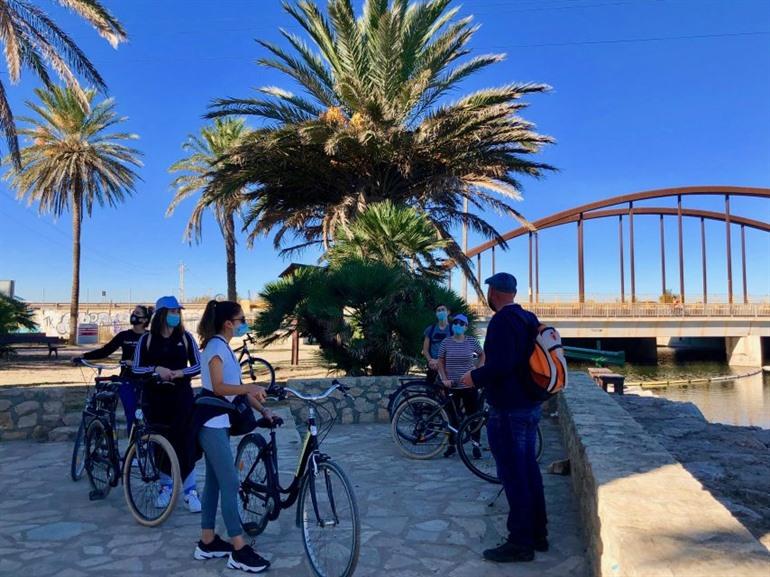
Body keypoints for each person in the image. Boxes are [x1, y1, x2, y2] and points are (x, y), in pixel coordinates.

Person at [459, 272, 547, 563]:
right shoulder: (528, 318)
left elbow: (500, 366)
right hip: (530, 405)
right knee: (528, 469)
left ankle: (520, 542)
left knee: (513, 473)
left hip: (509, 409)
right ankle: (538, 532)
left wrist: (473, 377)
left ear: (494, 293)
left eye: (488, 292)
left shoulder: (501, 321)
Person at [192, 300, 273, 572]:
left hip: (219, 422)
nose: (243, 323)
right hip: (211, 423)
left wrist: (263, 410)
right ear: (228, 323)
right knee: (230, 483)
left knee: (215, 484)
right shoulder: (216, 347)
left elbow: (235, 388)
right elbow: (218, 387)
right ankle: (238, 549)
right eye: (241, 319)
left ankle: (207, 541)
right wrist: (250, 386)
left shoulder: (222, 347)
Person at [132, 295, 202, 513]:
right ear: (162, 314)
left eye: (177, 312)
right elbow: (135, 368)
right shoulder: (146, 340)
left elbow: (198, 366)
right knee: (160, 444)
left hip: (182, 398)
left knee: (186, 443)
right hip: (156, 400)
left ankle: (190, 491)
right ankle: (166, 487)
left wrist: (181, 372)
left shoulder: (186, 337)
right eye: (172, 312)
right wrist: (156, 370)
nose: (176, 316)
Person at [73, 305, 153, 433]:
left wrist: (136, 363)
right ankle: (133, 448)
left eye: (137, 313)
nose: (133, 314)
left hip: (147, 380)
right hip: (127, 380)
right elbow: (106, 350)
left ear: (144, 320)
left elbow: (156, 358)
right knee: (131, 415)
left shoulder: (151, 337)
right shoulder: (124, 335)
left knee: (149, 416)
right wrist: (84, 356)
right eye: (133, 312)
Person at [436, 313, 485, 458]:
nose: (457, 325)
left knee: (474, 416)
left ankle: (476, 445)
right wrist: (444, 378)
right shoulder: (446, 342)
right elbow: (440, 362)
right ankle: (452, 445)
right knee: (451, 417)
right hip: (451, 385)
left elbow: (482, 354)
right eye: (455, 323)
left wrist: (478, 370)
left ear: (466, 327)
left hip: (469, 385)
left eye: (461, 323)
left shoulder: (471, 341)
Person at [422, 304, 452, 385]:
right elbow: (425, 349)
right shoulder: (430, 329)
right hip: (433, 366)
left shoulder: (453, 329)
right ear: (436, 314)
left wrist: (439, 361)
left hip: (449, 366)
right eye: (438, 310)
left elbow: (455, 349)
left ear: (448, 312)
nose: (440, 312)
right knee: (430, 391)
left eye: (443, 310)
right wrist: (430, 361)